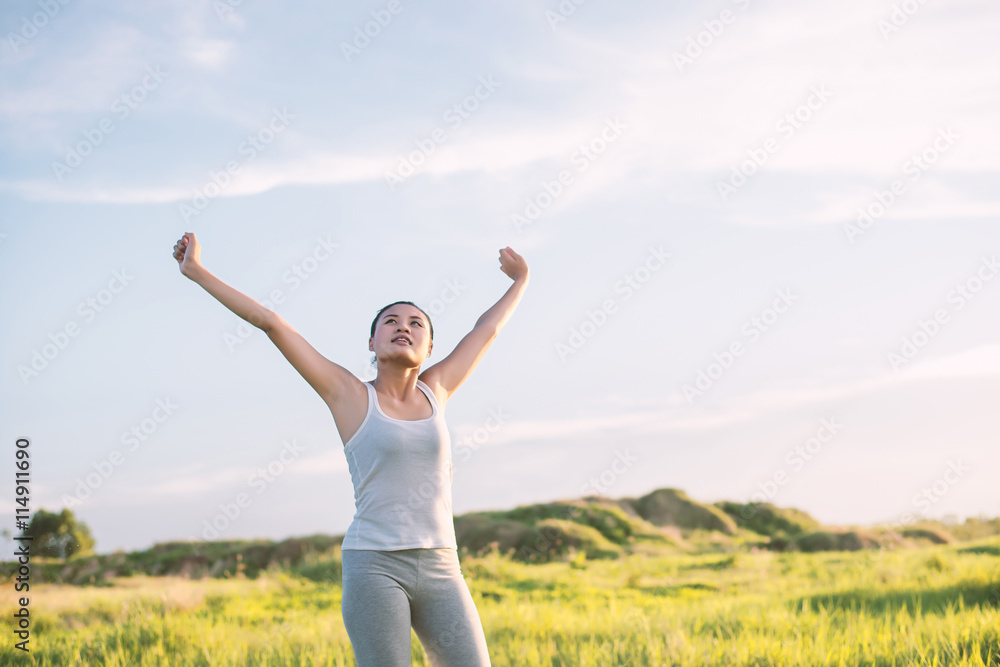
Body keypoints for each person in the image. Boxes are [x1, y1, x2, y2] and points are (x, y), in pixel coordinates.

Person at [172, 231, 529, 666]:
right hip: (374, 565)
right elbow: (272, 323)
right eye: (391, 322)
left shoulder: (438, 390)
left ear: (430, 347)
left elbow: (486, 330)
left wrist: (519, 280)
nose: (404, 327)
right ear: (372, 343)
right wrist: (196, 271)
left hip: (442, 565)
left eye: (416, 323)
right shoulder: (349, 395)